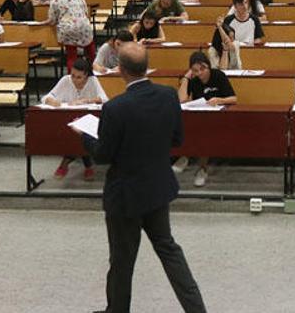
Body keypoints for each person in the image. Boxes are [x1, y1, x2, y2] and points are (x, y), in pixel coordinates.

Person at [74, 42, 207, 312]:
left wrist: (87, 137)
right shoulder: (168, 96)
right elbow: (177, 139)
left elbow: (102, 155)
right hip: (157, 187)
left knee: (122, 260)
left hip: (125, 196)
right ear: (147, 66)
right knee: (169, 250)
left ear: (121, 70)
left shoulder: (116, 108)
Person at [172, 52, 238, 185]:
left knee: (204, 131)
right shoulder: (194, 80)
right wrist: (186, 78)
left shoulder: (218, 75)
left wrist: (219, 100)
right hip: (200, 114)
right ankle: (185, 156)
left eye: (203, 69)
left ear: (208, 66)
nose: (200, 73)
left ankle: (202, 169)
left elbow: (234, 99)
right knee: (184, 122)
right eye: (195, 71)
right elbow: (182, 100)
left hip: (218, 115)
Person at [45, 57, 106, 181]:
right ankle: (87, 165)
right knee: (70, 131)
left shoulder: (93, 81)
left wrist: (86, 100)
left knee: (82, 133)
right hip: (67, 118)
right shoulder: (65, 80)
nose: (74, 80)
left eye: (79, 77)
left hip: (88, 119)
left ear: (87, 76)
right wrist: (51, 101)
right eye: (73, 75)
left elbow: (104, 99)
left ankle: (67, 162)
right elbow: (48, 96)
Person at [45, 0, 95, 71]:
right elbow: (85, 10)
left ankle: (72, 78)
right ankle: (94, 69)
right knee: (90, 48)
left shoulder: (55, 0)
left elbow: (52, 20)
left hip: (67, 28)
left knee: (71, 55)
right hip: (83, 25)